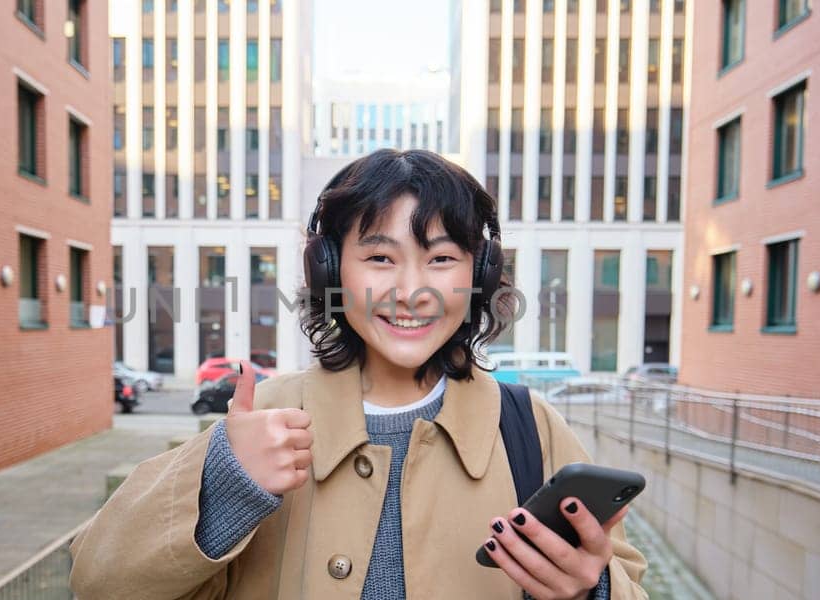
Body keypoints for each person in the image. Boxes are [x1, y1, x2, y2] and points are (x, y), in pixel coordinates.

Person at [70, 149, 648, 599]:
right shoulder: (265, 418)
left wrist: (589, 589)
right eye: (379, 258)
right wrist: (223, 481)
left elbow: (624, 582)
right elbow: (98, 582)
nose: (412, 291)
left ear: (480, 273)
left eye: (442, 259)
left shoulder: (531, 428)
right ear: (331, 271)